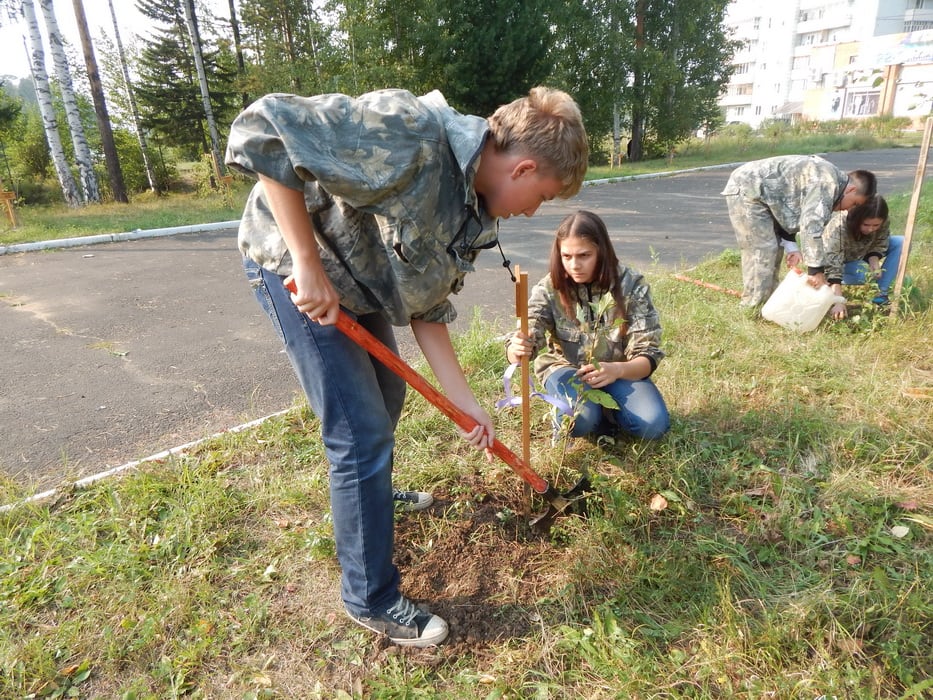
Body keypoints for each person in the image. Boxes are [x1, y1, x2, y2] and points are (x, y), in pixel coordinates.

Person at [225, 87, 588, 647]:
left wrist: (466, 402)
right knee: (360, 433)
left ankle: (370, 495)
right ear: (523, 168)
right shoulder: (411, 132)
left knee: (387, 397)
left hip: (357, 282)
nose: (533, 211)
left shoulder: (474, 210)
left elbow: (427, 308)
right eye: (541, 196)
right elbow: (266, 129)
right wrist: (306, 262)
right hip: (295, 272)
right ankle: (369, 597)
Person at [506, 210, 669, 442]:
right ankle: (591, 414)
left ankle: (607, 410)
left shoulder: (631, 285)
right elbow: (528, 332)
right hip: (567, 369)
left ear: (602, 251)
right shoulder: (549, 288)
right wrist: (518, 347)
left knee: (653, 425)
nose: (574, 265)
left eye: (584, 255)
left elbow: (648, 354)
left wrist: (616, 370)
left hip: (619, 371)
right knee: (578, 419)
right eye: (566, 256)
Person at [722, 155, 877, 307]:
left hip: (761, 194)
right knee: (763, 250)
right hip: (747, 187)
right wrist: (815, 270)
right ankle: (753, 305)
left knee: (775, 248)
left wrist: (791, 246)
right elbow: (811, 225)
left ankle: (768, 302)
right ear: (851, 190)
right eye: (854, 203)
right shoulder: (827, 183)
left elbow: (790, 208)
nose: (849, 209)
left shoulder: (832, 181)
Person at [822, 194, 904, 319]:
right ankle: (832, 285)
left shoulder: (882, 220)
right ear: (857, 219)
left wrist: (874, 259)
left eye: (876, 225)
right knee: (865, 274)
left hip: (862, 253)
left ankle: (880, 294)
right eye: (866, 225)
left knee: (902, 242)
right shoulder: (839, 228)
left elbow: (881, 240)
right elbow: (833, 265)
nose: (871, 229)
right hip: (840, 262)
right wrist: (838, 301)